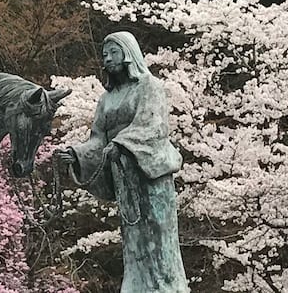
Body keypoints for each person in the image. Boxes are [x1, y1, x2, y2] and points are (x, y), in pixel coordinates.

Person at [55, 31, 188, 292]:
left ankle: (167, 287)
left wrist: (123, 144)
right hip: (122, 174)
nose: (108, 58)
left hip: (149, 173)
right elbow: (97, 139)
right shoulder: (106, 98)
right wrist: (77, 153)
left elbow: (154, 125)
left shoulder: (149, 85)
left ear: (129, 53)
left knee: (158, 236)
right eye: (104, 54)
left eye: (114, 52)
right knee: (133, 238)